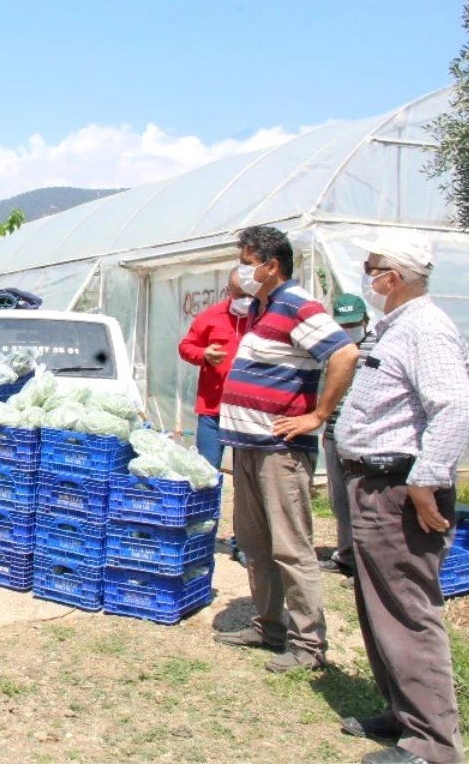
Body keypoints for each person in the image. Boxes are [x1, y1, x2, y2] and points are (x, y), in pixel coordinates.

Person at [334, 232, 469, 764]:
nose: (365, 276)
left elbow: (455, 408)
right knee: (380, 608)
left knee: (409, 612)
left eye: (371, 267)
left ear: (392, 278)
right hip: (374, 486)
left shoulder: (426, 328)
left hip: (398, 490)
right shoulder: (398, 328)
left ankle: (433, 746)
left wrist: (425, 479)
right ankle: (404, 711)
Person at [214, 225, 359, 674]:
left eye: (246, 261)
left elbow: (345, 354)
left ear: (271, 265)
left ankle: (308, 644)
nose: (241, 269)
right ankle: (268, 625)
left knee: (291, 548)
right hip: (248, 446)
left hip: (280, 449)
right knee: (256, 545)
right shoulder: (263, 307)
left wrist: (317, 415)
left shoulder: (298, 306)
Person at [177, 268, 249, 564]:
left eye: (248, 295)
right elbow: (186, 347)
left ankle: (243, 542)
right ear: (228, 293)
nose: (243, 301)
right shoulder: (211, 316)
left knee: (247, 482)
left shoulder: (264, 318)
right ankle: (203, 535)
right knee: (207, 475)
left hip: (249, 414)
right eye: (237, 295)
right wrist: (203, 354)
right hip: (213, 411)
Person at [318, 293, 376, 586]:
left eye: (354, 323)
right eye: (344, 324)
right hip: (334, 431)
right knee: (339, 499)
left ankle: (366, 568)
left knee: (363, 502)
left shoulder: (379, 347)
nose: (349, 328)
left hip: (365, 437)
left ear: (365, 320)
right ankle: (345, 556)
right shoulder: (333, 348)